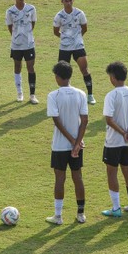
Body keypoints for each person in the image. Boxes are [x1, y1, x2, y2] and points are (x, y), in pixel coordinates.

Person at [46, 61, 88, 224]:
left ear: (57, 77)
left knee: (60, 178)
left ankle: (58, 216)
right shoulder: (81, 94)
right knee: (77, 176)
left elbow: (56, 121)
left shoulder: (53, 95)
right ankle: (80, 214)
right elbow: (84, 120)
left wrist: (71, 141)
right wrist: (77, 143)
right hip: (77, 144)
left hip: (60, 145)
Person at [101, 61, 128, 217]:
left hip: (114, 142)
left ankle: (116, 208)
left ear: (113, 77)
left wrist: (122, 132)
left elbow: (109, 120)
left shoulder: (111, 95)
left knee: (111, 173)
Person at [53, 0, 95, 104]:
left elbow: (84, 28)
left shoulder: (79, 13)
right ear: (62, 1)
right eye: (66, 1)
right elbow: (56, 31)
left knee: (84, 69)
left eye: (70, 0)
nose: (69, 3)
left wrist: (77, 38)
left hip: (78, 46)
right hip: (64, 48)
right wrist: (65, 39)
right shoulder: (59, 16)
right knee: (61, 72)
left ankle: (90, 95)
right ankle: (63, 95)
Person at [6, 0, 38, 104]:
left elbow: (33, 23)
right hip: (16, 45)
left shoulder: (31, 9)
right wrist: (17, 36)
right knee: (17, 67)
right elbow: (10, 27)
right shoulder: (10, 11)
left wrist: (27, 35)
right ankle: (20, 93)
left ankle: (32, 95)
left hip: (29, 44)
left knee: (31, 68)